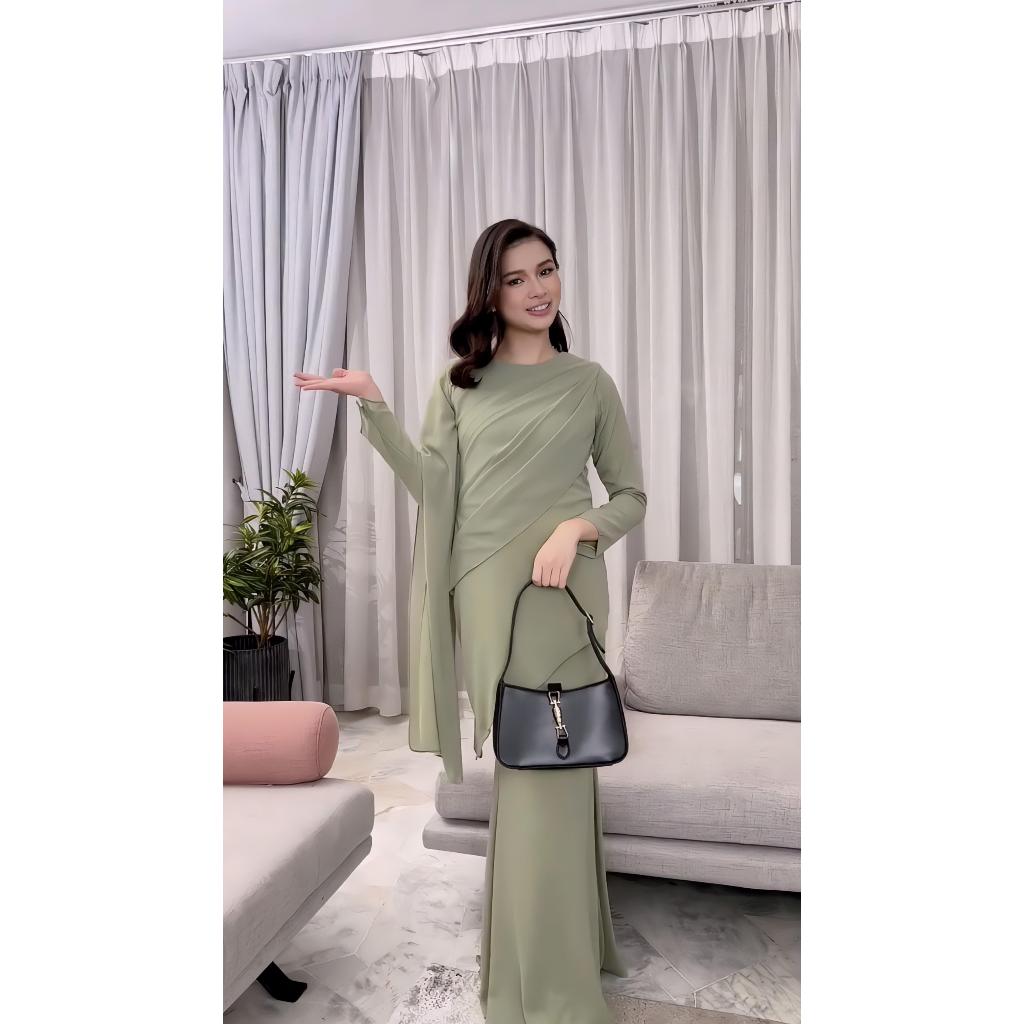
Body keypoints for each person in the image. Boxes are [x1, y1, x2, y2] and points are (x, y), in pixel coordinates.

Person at [293, 218, 647, 1022]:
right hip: (487, 592)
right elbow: (436, 487)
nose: (537, 289)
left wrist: (576, 527)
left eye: (546, 270)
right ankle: (532, 962)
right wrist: (375, 407)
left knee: (558, 767)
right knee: (526, 765)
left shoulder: (589, 383)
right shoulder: (460, 386)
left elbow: (630, 496)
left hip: (561, 591)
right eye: (517, 278)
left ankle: (551, 975)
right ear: (490, 292)